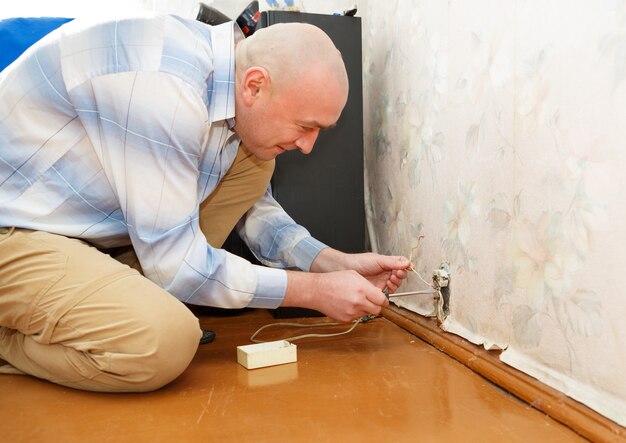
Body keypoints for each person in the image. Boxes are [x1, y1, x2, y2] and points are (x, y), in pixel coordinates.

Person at [0, 14, 410, 393]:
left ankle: (106, 305)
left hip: (81, 231)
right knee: (163, 342)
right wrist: (314, 292)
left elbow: (251, 208)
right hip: (15, 232)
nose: (307, 147)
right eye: (306, 127)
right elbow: (179, 266)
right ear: (254, 85)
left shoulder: (224, 82)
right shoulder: (165, 86)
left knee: (255, 165)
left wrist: (331, 263)